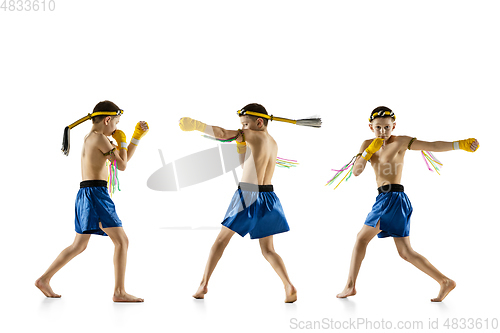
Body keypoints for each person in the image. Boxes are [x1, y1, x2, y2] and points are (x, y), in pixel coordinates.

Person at [336, 106, 479, 302]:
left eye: (387, 127)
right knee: (405, 252)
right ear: (371, 127)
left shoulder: (401, 141)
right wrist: (369, 150)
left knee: (361, 239)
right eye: (378, 127)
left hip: (393, 198)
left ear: (394, 125)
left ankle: (350, 286)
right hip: (385, 199)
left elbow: (433, 145)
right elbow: (356, 171)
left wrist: (459, 144)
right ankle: (445, 281)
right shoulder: (367, 143)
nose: (383, 132)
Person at [179, 103, 297, 303]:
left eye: (245, 124)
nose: (242, 129)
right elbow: (246, 164)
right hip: (269, 197)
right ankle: (288, 285)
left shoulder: (251, 134)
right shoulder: (273, 142)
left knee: (220, 241)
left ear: (259, 122)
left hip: (248, 196)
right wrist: (241, 147)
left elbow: (223, 133)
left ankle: (203, 284)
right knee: (268, 250)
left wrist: (199, 126)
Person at [35, 100, 149, 302]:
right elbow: (121, 166)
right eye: (116, 123)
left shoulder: (92, 137)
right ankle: (119, 292)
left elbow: (123, 159)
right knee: (122, 241)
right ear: (107, 120)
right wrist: (123, 140)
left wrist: (135, 138)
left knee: (78, 245)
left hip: (87, 193)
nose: (116, 128)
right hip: (96, 194)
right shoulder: (98, 139)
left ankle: (44, 279)